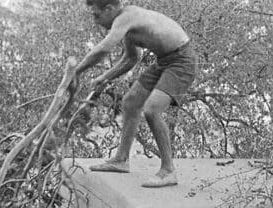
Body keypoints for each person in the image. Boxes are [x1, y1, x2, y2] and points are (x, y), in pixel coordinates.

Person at [74, 0, 197, 188]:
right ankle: (121, 160)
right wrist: (104, 77)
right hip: (164, 60)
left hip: (182, 61)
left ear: (109, 9)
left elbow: (104, 48)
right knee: (131, 101)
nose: (95, 21)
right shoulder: (127, 25)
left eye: (96, 15)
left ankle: (168, 171)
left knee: (152, 109)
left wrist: (75, 71)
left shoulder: (126, 17)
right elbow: (131, 59)